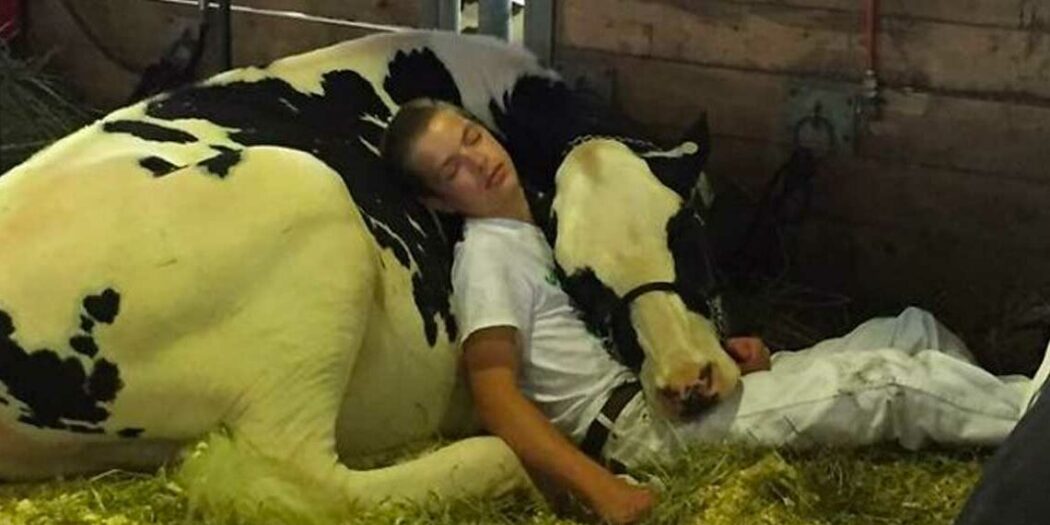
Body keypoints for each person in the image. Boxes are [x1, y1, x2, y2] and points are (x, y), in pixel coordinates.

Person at [380, 98, 1042, 524]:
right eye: (450, 170)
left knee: (911, 328)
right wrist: (599, 489)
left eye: (470, 137)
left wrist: (726, 354)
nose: (476, 161)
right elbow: (494, 392)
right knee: (890, 382)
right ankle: (1032, 426)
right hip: (638, 431)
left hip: (668, 388)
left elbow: (632, 322)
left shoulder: (552, 215)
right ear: (438, 202)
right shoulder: (488, 259)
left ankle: (996, 459)